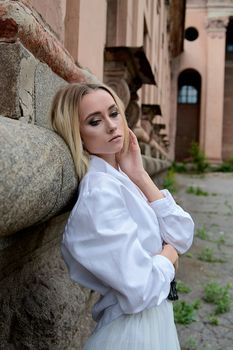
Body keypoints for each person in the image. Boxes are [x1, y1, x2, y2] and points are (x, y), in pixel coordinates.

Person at [49, 82, 194, 350]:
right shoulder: (99, 193)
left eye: (114, 113)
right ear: (78, 134)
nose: (112, 126)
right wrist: (170, 255)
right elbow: (141, 288)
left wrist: (140, 175)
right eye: (95, 121)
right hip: (131, 333)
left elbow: (183, 232)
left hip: (153, 322)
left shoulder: (122, 179)